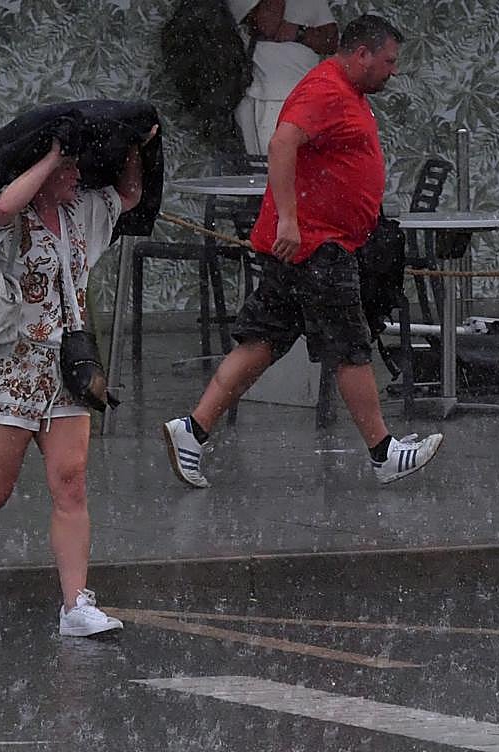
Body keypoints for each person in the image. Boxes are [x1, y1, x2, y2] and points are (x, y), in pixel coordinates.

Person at [162, 14, 443, 490]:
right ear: (361, 54)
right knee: (351, 348)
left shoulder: (347, 93)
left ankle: (192, 431)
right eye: (389, 61)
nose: (393, 71)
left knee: (261, 342)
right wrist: (290, 219)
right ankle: (383, 453)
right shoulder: (327, 88)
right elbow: (282, 142)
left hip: (312, 246)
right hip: (317, 246)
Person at [0, 123, 158, 634]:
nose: (77, 175)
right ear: (38, 173)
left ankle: (75, 605)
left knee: (70, 484)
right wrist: (49, 159)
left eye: (76, 167)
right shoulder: (9, 215)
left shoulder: (82, 212)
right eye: (68, 168)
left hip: (68, 366)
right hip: (10, 365)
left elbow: (130, 195)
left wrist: (137, 142)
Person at [227, 0, 339, 155]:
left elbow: (331, 41)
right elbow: (268, 24)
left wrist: (299, 32)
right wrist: (308, 35)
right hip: (266, 97)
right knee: (272, 168)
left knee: (305, 168)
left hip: (306, 95)